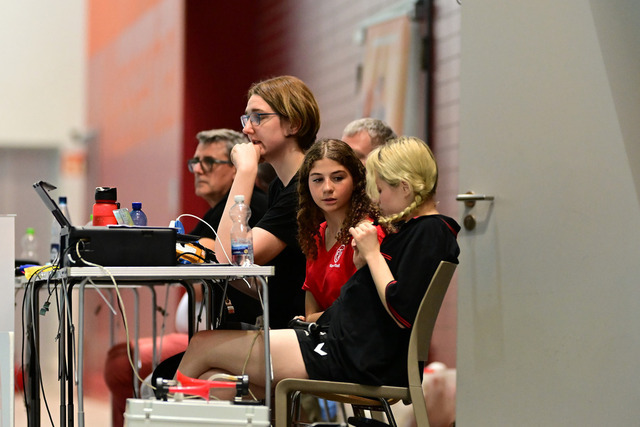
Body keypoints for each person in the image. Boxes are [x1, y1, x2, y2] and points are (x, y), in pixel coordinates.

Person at [176, 136, 460, 401]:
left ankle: (159, 416)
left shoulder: (429, 230)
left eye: (381, 190)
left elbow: (401, 310)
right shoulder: (411, 230)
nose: (377, 200)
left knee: (202, 344)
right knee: (213, 381)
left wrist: (372, 255)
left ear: (405, 187)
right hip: (341, 345)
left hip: (353, 356)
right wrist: (365, 264)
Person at [104, 129, 268, 427]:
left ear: (236, 168)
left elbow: (214, 257)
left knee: (151, 379)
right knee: (135, 368)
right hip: (214, 333)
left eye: (209, 162)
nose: (199, 170)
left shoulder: (251, 207)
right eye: (195, 162)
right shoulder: (214, 214)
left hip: (246, 332)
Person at [213, 75, 321, 328]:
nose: (246, 129)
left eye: (258, 117)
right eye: (246, 118)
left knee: (201, 346)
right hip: (282, 323)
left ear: (294, 124)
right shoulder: (279, 186)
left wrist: (245, 171)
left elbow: (228, 257)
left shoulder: (305, 189)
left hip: (301, 328)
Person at [296, 138, 386, 322]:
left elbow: (360, 312)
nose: (327, 188)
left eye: (338, 178)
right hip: (324, 334)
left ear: (356, 181)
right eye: (318, 180)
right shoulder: (315, 235)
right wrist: (313, 320)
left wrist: (313, 320)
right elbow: (310, 313)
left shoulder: (367, 233)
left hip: (355, 336)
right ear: (307, 185)